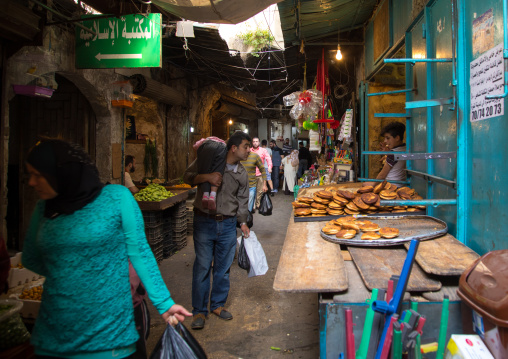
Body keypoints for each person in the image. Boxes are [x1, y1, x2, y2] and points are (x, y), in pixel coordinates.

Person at [22, 139, 191, 359]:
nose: (32, 183)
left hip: (108, 337)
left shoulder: (116, 197)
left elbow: (139, 251)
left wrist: (163, 302)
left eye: (38, 175)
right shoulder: (43, 207)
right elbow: (31, 258)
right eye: (30, 175)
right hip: (52, 339)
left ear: (62, 172)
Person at [183, 131, 251, 330]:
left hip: (228, 224)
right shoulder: (209, 159)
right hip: (204, 221)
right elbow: (187, 177)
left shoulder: (241, 173)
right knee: (202, 266)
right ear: (234, 148)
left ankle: (217, 305)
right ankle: (199, 311)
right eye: (246, 146)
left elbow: (243, 200)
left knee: (223, 269)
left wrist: (243, 222)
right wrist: (207, 177)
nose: (248, 150)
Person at [193, 136, 227, 211]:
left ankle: (205, 195)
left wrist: (207, 176)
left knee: (203, 170)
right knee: (218, 170)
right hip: (220, 148)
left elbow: (196, 147)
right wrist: (209, 177)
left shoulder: (203, 145)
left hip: (205, 149)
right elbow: (187, 176)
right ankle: (213, 195)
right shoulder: (222, 146)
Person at [376, 122, 406, 186]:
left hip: (391, 186)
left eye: (388, 138)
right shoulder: (405, 149)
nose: (385, 141)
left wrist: (373, 186)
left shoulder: (393, 153)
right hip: (401, 185)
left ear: (397, 138)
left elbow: (382, 175)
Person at [250, 137, 272, 210]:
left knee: (259, 190)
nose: (255, 143)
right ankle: (252, 206)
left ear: (259, 143)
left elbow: (268, 159)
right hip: (251, 174)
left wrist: (269, 167)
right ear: (252, 143)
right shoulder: (249, 151)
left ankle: (258, 204)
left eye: (256, 141)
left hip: (260, 174)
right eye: (254, 141)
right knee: (252, 191)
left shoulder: (263, 150)